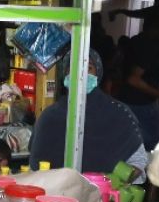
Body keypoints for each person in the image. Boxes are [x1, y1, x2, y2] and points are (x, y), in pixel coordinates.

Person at [30, 49, 147, 177]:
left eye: (89, 68)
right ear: (65, 74)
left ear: (98, 75)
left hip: (106, 195)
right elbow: (35, 167)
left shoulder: (119, 114)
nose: (81, 74)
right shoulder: (50, 116)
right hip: (57, 194)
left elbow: (138, 161)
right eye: (73, 68)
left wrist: (110, 183)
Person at [118, 14, 159, 150]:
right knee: (148, 146)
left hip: (133, 101)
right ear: (156, 28)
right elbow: (134, 79)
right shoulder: (147, 46)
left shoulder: (135, 41)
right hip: (140, 104)